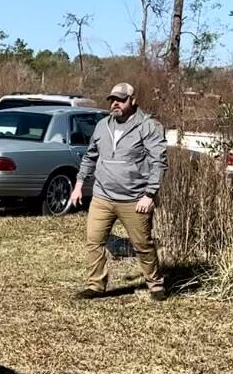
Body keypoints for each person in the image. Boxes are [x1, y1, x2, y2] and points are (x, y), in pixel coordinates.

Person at [69, 82, 168, 301]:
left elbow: (158, 163)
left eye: (121, 99)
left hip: (134, 199)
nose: (115, 103)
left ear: (133, 100)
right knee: (94, 241)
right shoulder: (103, 125)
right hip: (102, 196)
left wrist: (149, 194)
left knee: (143, 245)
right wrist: (78, 184)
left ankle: (155, 284)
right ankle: (96, 285)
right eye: (112, 99)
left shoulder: (148, 126)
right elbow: (91, 156)